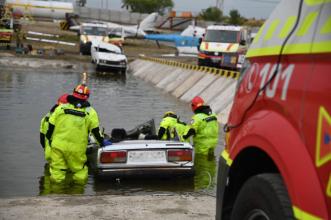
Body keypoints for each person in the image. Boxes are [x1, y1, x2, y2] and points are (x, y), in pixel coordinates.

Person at [46, 84, 111, 184]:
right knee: (79, 171)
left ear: (73, 93)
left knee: (57, 171)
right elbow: (95, 131)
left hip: (58, 146)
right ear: (87, 97)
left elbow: (50, 126)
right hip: (77, 148)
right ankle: (77, 194)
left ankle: (56, 195)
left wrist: (50, 140)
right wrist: (102, 142)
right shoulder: (90, 112)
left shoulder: (61, 108)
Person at [40, 93, 69, 163]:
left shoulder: (46, 117)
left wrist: (47, 149)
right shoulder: (67, 119)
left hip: (49, 154)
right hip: (62, 156)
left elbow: (42, 140)